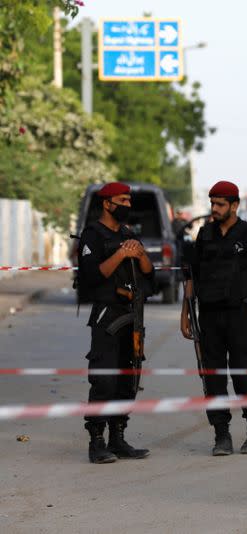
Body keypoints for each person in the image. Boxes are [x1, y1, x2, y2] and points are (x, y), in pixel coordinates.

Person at [180, 180, 247, 456]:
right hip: (210, 317)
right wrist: (185, 313)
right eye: (212, 203)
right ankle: (221, 435)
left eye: (220, 204)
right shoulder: (204, 235)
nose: (214, 209)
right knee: (213, 378)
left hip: (241, 315)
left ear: (234, 205)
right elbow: (192, 276)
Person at [77, 182, 153, 464]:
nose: (128, 205)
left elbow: (150, 275)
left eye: (129, 200)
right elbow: (92, 276)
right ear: (107, 203)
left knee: (128, 379)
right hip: (107, 315)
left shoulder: (128, 234)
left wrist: (140, 253)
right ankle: (96, 441)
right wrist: (121, 254)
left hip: (132, 316)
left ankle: (118, 438)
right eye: (122, 200)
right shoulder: (92, 235)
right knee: (104, 379)